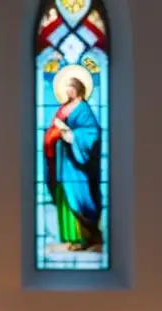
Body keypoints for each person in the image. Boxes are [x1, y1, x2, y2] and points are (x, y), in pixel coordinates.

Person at [43, 65, 103, 252]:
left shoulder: (83, 109)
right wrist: (53, 136)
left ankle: (87, 237)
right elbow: (53, 129)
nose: (68, 90)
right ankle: (70, 238)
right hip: (63, 160)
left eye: (71, 86)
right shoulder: (63, 108)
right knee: (64, 195)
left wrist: (71, 135)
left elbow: (92, 132)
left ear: (79, 89)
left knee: (78, 195)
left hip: (77, 163)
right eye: (66, 86)